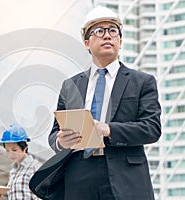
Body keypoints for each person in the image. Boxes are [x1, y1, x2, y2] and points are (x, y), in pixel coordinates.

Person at [48, 6, 162, 200]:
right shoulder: (70, 86)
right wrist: (60, 142)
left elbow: (152, 128)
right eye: (99, 31)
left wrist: (108, 129)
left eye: (112, 30)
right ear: (86, 43)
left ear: (120, 40)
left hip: (125, 176)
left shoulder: (142, 81)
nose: (107, 36)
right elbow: (54, 134)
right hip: (78, 175)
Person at [0, 124, 42, 200]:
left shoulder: (35, 167)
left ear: (25, 148)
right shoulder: (13, 171)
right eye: (7, 151)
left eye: (14, 150)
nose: (11, 154)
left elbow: (41, 196)